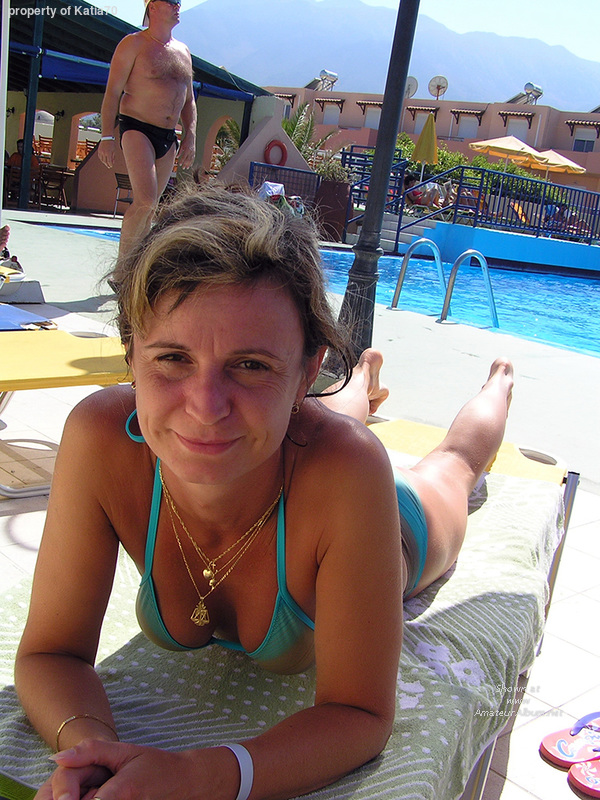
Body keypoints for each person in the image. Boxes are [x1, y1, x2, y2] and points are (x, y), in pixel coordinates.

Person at [15, 185, 514, 800]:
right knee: (301, 427)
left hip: (385, 522)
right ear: (131, 354)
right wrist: (93, 750)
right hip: (289, 442)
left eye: (251, 365)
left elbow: (360, 714)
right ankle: (360, 381)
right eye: (172, 358)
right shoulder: (101, 441)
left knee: (453, 467)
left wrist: (198, 775)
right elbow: (52, 655)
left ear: (308, 369)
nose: (206, 407)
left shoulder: (350, 473)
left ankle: (498, 384)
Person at [98, 0, 197, 264]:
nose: (178, 6)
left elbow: (189, 101)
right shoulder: (133, 44)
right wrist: (106, 136)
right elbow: (112, 93)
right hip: (137, 128)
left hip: (168, 136)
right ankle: (123, 272)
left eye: (179, 2)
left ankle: (136, 268)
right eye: (172, 1)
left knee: (150, 208)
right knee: (144, 200)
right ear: (152, 7)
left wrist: (190, 136)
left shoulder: (183, 51)